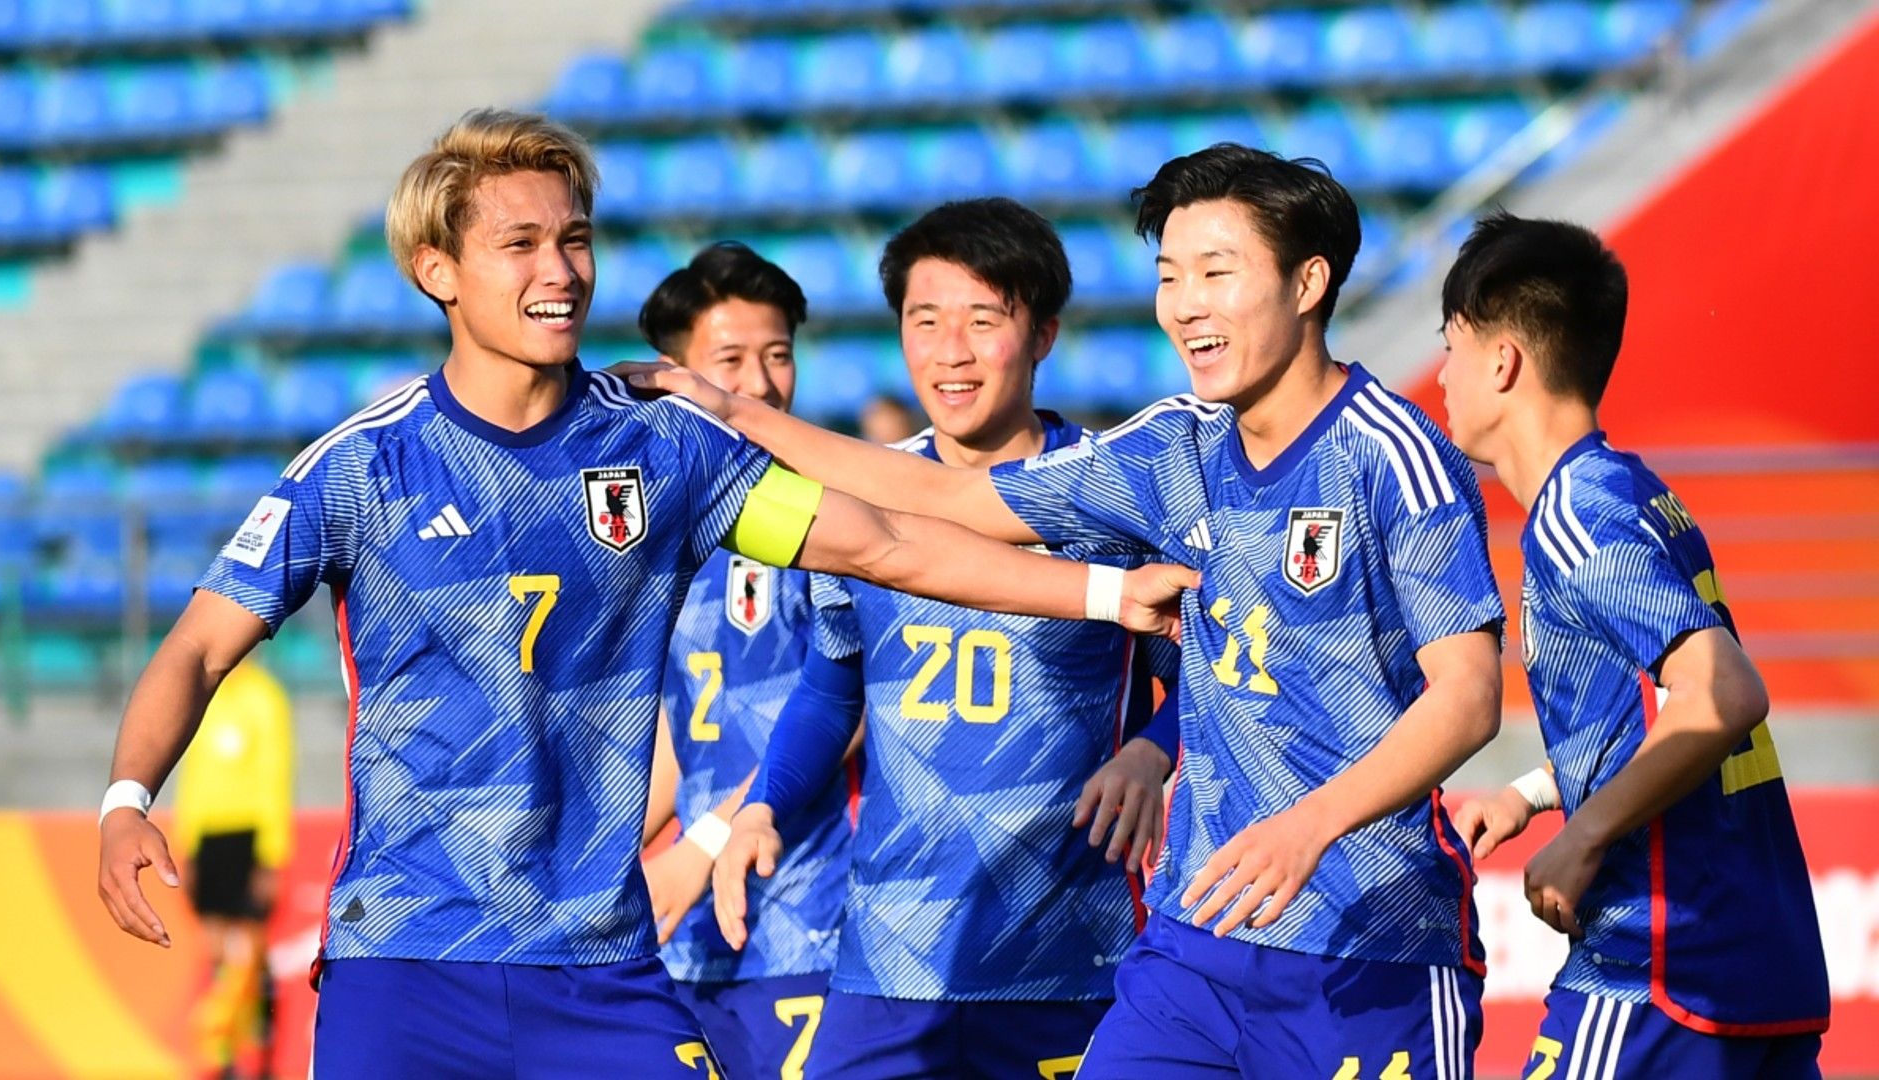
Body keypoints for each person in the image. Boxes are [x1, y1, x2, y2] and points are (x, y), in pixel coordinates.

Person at [92, 108, 1194, 1079]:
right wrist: (129, 799)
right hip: (410, 963)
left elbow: (890, 546)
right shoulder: (362, 465)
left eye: (574, 239)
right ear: (437, 269)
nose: (562, 271)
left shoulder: (663, 455)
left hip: (602, 969)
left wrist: (1102, 595)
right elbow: (198, 648)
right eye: (519, 245)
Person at [625, 143, 1506, 1078]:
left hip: (1365, 937)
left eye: (1217, 271)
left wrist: (1303, 822)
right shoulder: (1170, 447)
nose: (1187, 305)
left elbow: (1468, 697)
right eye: (1171, 276)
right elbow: (951, 500)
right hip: (1193, 942)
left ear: (1307, 282)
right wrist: (741, 416)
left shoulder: (1395, 455)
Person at [714, 198, 1182, 1079]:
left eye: (982, 320)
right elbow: (830, 684)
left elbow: (1203, 687)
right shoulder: (860, 501)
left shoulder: (1113, 497)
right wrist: (764, 803)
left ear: (1042, 335)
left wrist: (1153, 753)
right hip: (892, 956)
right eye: (925, 322)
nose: (950, 352)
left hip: (1071, 953)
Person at [1440, 213, 1830, 1078]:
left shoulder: (1578, 517)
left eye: (1452, 345)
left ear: (1503, 361)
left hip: (1659, 958)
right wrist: (1535, 794)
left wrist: (1584, 839)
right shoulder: (1627, 488)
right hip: (1747, 955)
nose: (1442, 374)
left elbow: (1722, 696)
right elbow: (1661, 706)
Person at [635, 241, 856, 1080]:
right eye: (731, 361)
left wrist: (708, 839)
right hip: (684, 939)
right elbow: (684, 731)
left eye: (778, 356)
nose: (762, 384)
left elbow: (849, 699)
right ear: (672, 372)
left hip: (803, 924)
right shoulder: (662, 526)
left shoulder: (825, 521)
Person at [174, 655, 292, 1080]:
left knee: (249, 952)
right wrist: (188, 846)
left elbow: (274, 777)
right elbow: (195, 777)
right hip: (210, 839)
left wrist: (270, 856)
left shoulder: (265, 697)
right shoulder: (205, 698)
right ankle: (223, 1056)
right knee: (215, 951)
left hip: (248, 836)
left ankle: (261, 1051)